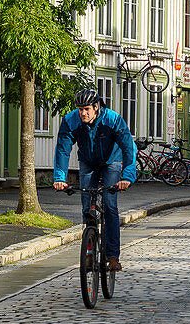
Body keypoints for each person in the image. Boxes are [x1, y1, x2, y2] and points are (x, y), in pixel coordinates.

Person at [53, 88, 136, 272]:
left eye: (87, 109)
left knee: (109, 204)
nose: (83, 113)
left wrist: (127, 177)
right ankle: (89, 252)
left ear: (96, 107)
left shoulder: (112, 119)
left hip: (111, 162)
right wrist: (60, 178)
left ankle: (113, 256)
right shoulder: (71, 120)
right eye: (80, 109)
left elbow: (129, 147)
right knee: (87, 208)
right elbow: (63, 149)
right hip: (88, 163)